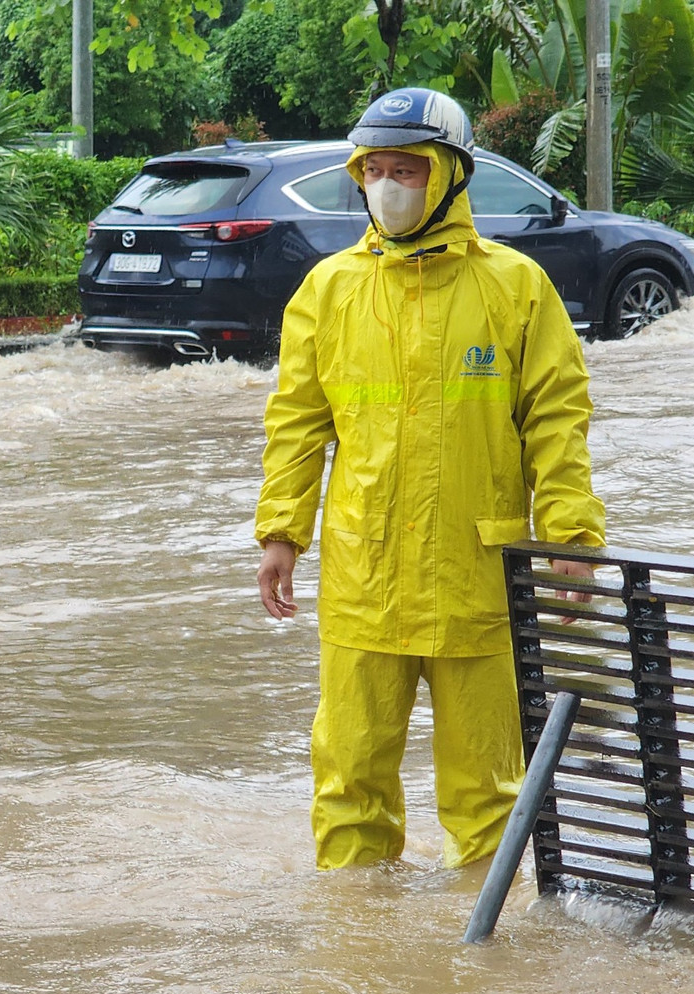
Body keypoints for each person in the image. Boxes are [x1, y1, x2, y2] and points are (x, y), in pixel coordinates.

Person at [254, 88, 605, 870]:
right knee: (350, 787)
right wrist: (283, 533)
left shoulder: (515, 288)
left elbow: (557, 421)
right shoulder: (329, 290)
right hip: (361, 579)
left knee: (490, 797)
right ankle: (363, 961)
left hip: (475, 577)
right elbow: (299, 421)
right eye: (372, 169)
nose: (387, 185)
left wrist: (572, 538)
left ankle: (488, 976)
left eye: (406, 169)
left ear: (450, 175)